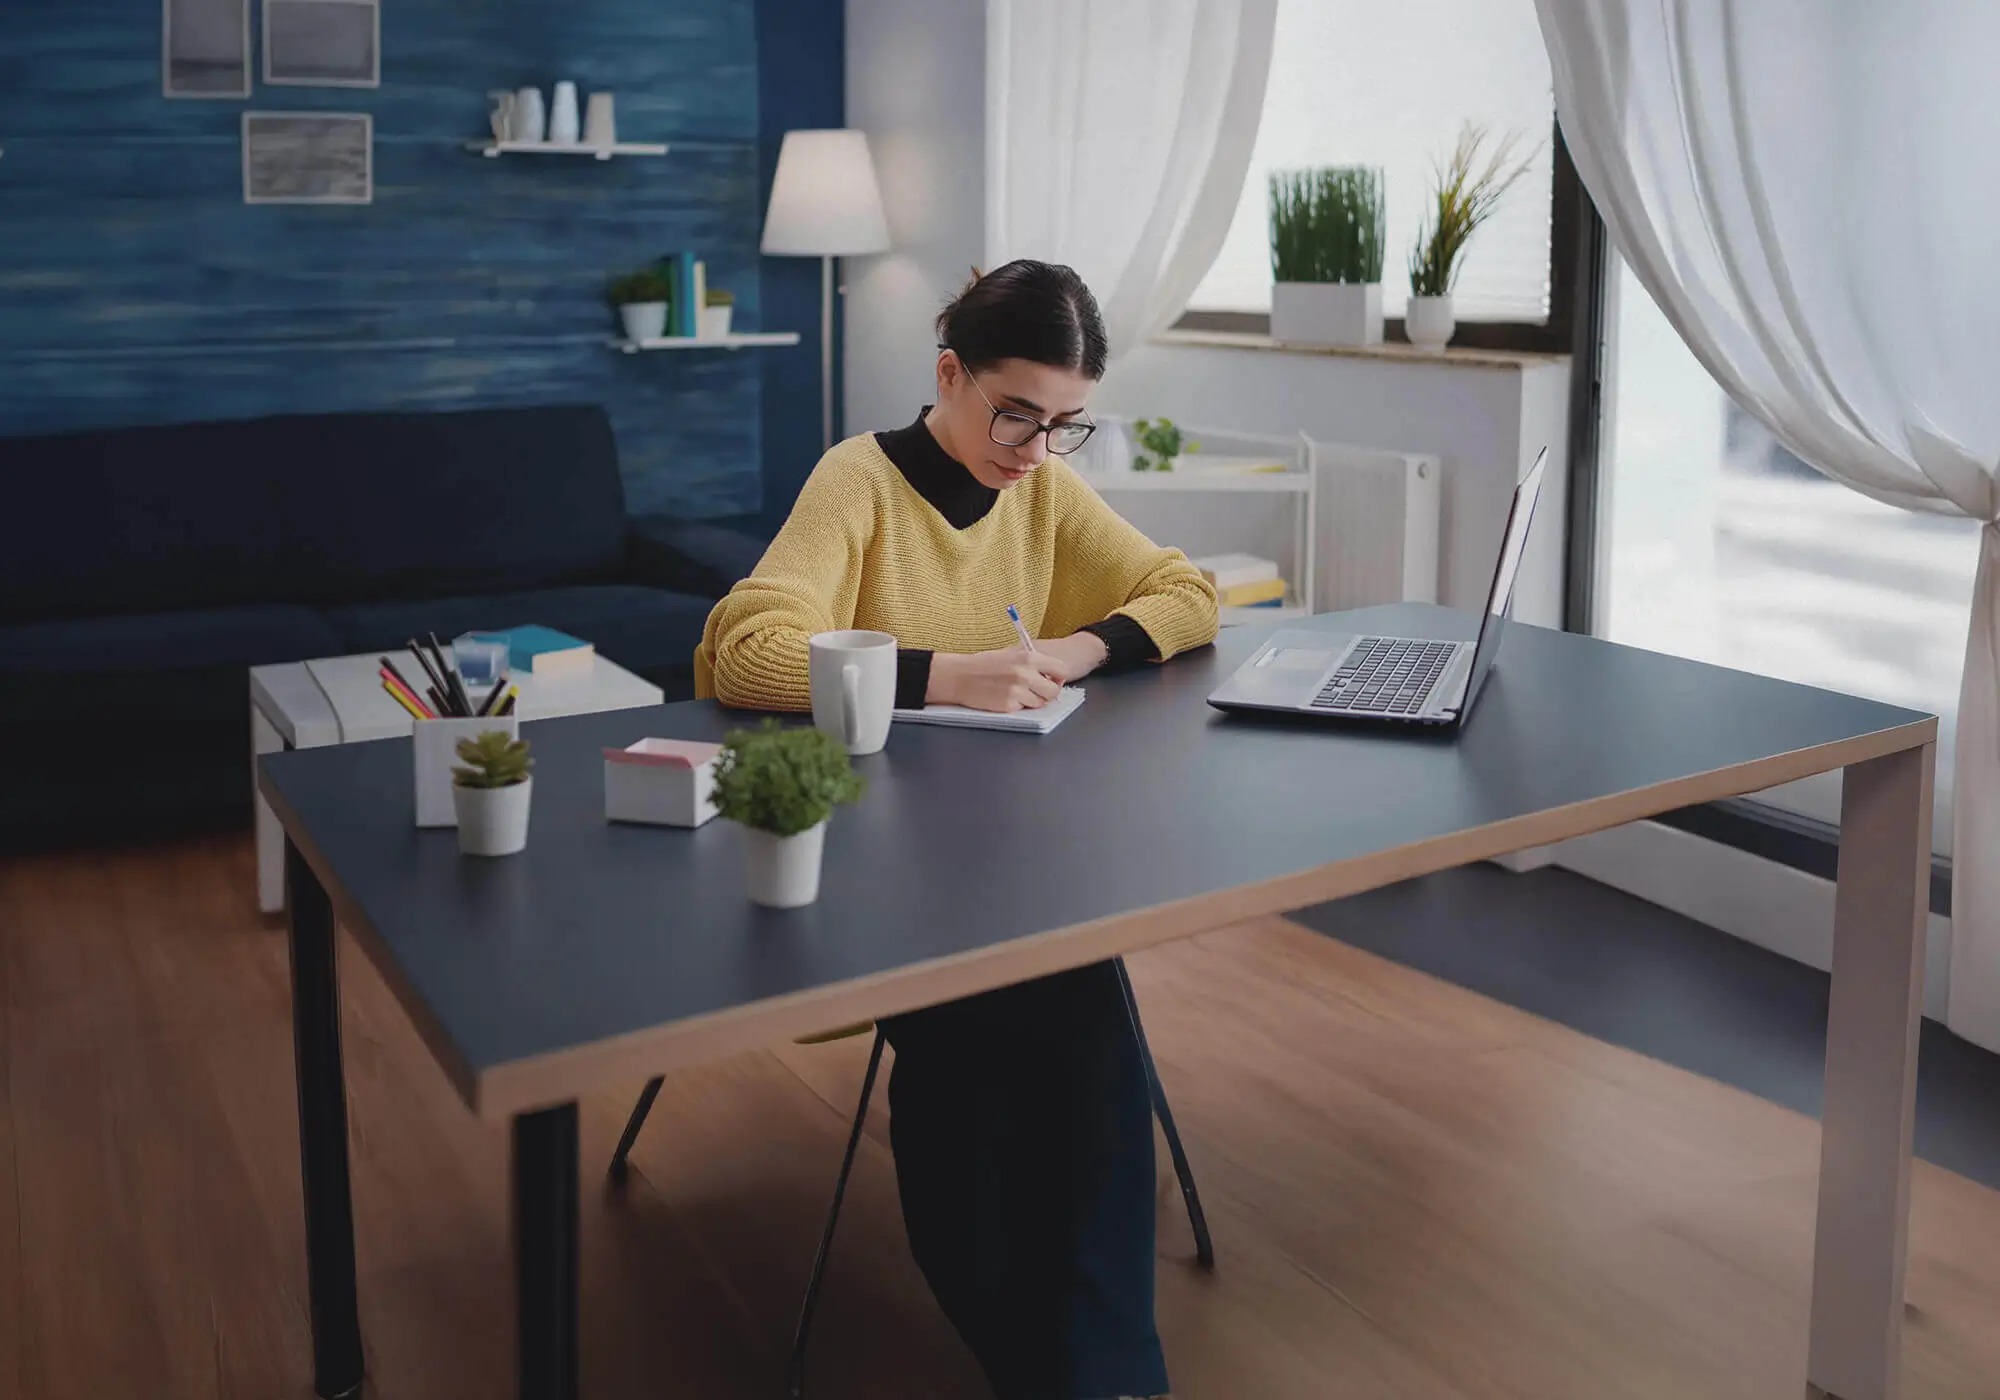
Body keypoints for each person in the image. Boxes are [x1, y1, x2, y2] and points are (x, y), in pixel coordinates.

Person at [695, 259, 1218, 1400]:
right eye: (1015, 411)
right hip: (871, 874)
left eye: (1062, 424)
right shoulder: (859, 482)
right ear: (949, 373)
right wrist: (945, 675)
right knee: (1005, 1044)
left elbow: (1185, 592)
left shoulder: (1038, 487)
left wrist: (1073, 647)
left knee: (1077, 1005)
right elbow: (740, 650)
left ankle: (1106, 1373)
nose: (1033, 448)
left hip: (1012, 865)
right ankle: (1063, 1366)